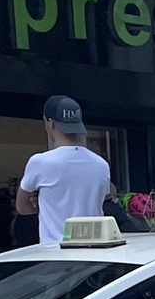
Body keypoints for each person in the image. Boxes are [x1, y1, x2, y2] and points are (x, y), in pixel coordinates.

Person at [16, 95, 113, 244]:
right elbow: (103, 198)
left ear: (50, 123)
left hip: (56, 253)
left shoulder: (40, 162)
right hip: (94, 252)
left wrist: (44, 208)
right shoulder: (101, 165)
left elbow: (22, 207)